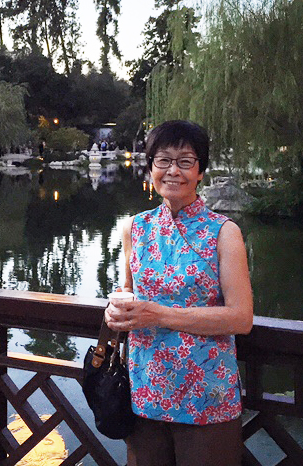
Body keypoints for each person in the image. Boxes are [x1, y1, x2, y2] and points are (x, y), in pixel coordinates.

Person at [105, 120, 253, 465]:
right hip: (144, 389)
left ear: (200, 171)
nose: (173, 171)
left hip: (206, 396)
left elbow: (241, 318)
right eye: (163, 160)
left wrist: (159, 315)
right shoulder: (134, 228)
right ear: (150, 168)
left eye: (185, 161)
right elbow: (128, 290)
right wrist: (114, 311)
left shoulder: (224, 232)